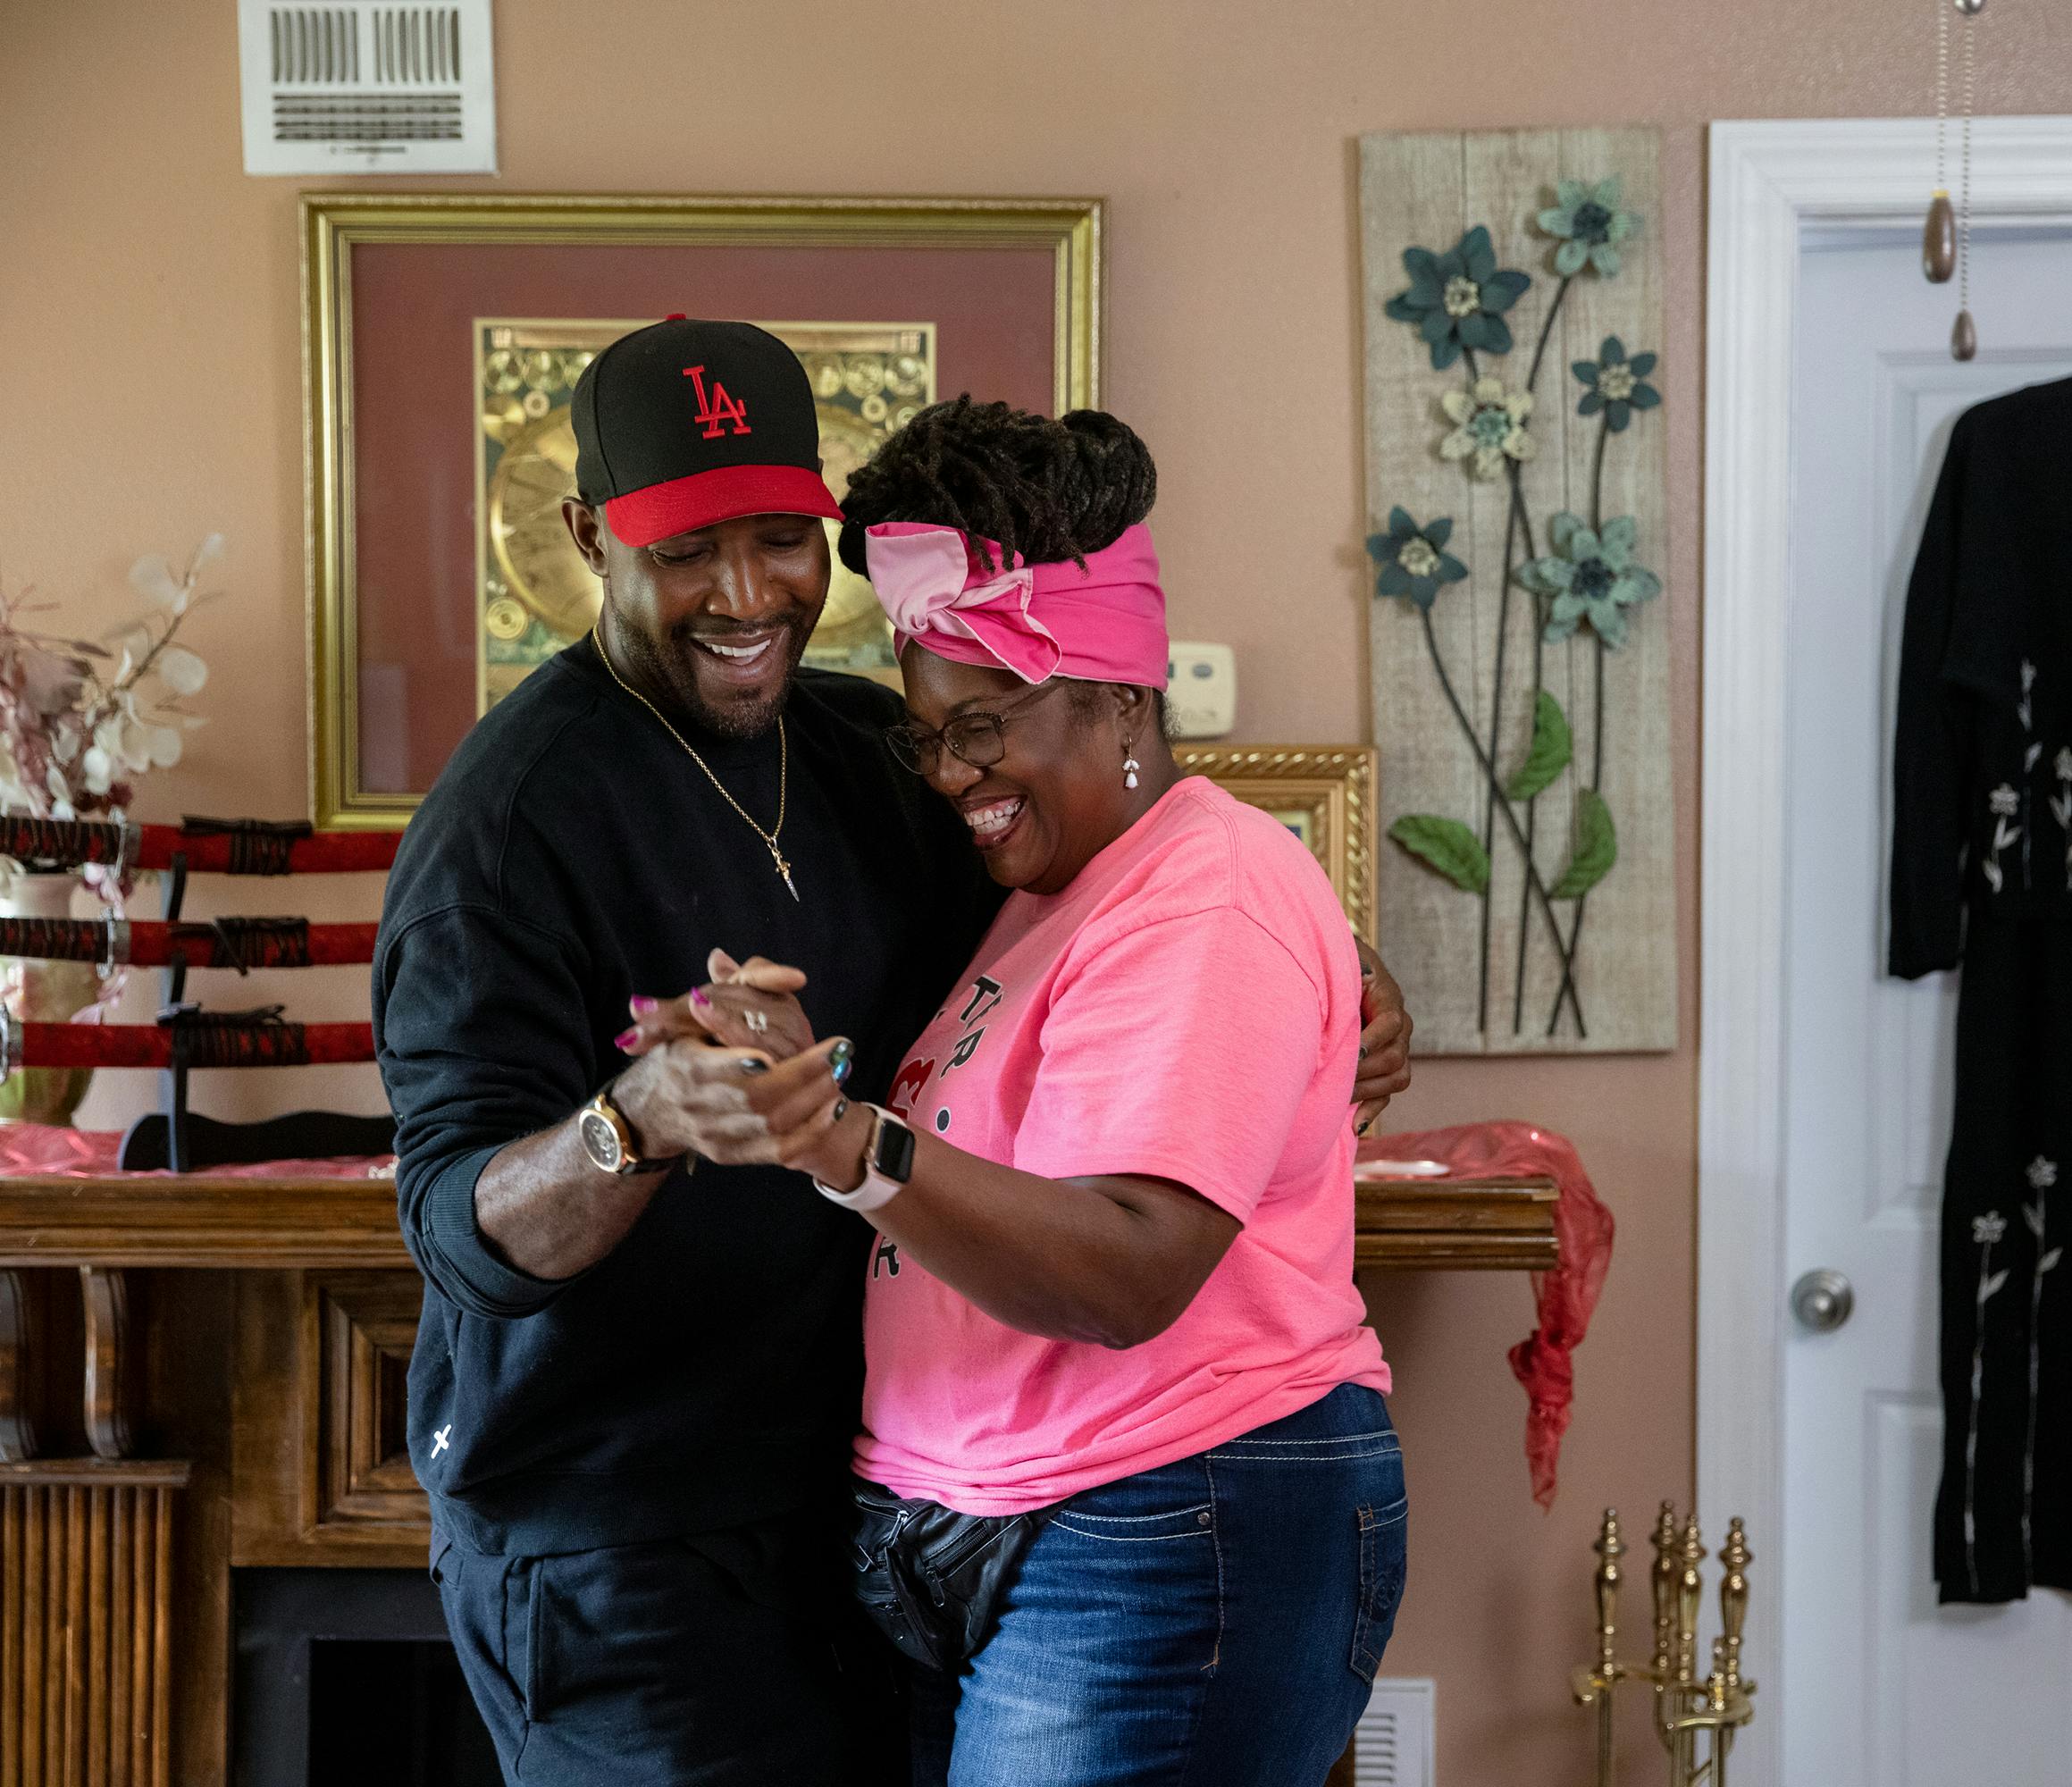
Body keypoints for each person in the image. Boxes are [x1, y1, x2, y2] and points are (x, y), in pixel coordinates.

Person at [372, 320, 1413, 1786]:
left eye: (780, 541)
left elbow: (1125, 882)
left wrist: (1336, 979)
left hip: (871, 1525)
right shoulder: (501, 837)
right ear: (583, 537)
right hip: (624, 1556)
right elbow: (453, 1229)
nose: (745, 595)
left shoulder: (878, 751)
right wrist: (633, 1122)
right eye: (686, 551)